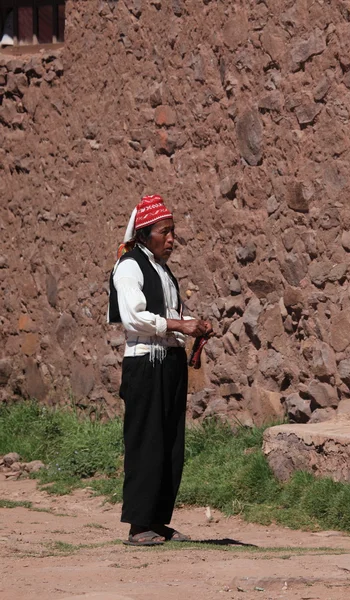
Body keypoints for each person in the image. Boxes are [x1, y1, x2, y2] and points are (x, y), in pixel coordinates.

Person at [109, 194, 213, 546]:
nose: (171, 239)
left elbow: (169, 315)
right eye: (164, 232)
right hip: (145, 365)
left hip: (168, 363)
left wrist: (192, 324)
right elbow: (134, 316)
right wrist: (178, 326)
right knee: (146, 442)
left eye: (173, 232)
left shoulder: (163, 271)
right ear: (143, 234)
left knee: (170, 443)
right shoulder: (129, 266)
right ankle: (139, 525)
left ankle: (157, 520)